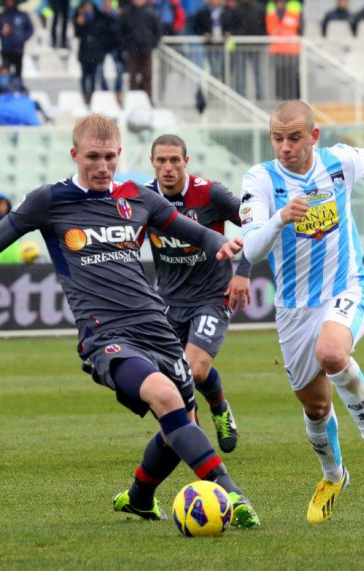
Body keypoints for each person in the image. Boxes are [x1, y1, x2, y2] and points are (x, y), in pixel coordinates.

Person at [0, 113, 260, 528]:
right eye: (93, 157)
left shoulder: (138, 196)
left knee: (182, 427)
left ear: (120, 154)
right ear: (74, 155)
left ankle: (138, 497)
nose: (102, 167)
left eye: (110, 157)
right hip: (107, 335)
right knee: (166, 398)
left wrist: (224, 244)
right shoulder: (50, 201)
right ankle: (233, 494)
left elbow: (195, 232)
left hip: (156, 325)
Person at [240, 100, 364, 522]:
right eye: (278, 137)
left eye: (294, 137)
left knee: (332, 354)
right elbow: (253, 250)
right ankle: (333, 475)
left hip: (345, 288)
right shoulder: (260, 179)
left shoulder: (338, 162)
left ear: (313, 136)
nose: (285, 146)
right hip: (293, 309)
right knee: (315, 407)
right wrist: (278, 219)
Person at [146, 134, 251, 453]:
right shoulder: (144, 198)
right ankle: (196, 422)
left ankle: (217, 411)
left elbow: (254, 224)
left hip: (212, 295)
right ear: (152, 162)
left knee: (195, 369)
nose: (168, 167)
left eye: (174, 160)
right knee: (167, 374)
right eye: (161, 160)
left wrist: (242, 273)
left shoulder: (210, 193)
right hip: (169, 301)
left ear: (186, 162)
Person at [118, 0, 162, 103]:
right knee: (132, 76)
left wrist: (153, 44)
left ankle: (148, 100)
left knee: (147, 75)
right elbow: (120, 31)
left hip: (146, 49)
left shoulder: (150, 12)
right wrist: (126, 45)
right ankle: (132, 101)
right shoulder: (127, 13)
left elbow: (158, 30)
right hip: (132, 50)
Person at [225, 0, 266, 100]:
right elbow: (231, 28)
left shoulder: (259, 8)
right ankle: (240, 97)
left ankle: (260, 96)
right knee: (240, 73)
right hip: (241, 46)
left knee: (258, 73)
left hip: (256, 47)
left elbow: (263, 27)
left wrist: (260, 40)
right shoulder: (235, 10)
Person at [265, 0, 302, 100]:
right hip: (278, 50)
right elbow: (270, 30)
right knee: (280, 77)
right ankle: (282, 98)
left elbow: (299, 29)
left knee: (291, 76)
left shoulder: (293, 13)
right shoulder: (272, 14)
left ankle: (292, 97)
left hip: (292, 50)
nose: (280, 4)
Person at [0, 0, 34, 78]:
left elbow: (30, 29)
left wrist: (22, 38)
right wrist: (1, 32)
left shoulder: (22, 15)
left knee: (18, 73)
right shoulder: (1, 16)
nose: (9, 2)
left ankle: (17, 87)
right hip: (6, 49)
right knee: (5, 72)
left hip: (18, 49)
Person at [192, 0, 232, 81]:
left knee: (222, 68)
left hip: (222, 45)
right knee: (214, 69)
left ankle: (219, 88)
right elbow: (196, 28)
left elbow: (231, 26)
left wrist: (227, 33)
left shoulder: (225, 12)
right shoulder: (202, 12)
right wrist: (204, 34)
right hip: (209, 45)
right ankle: (214, 88)